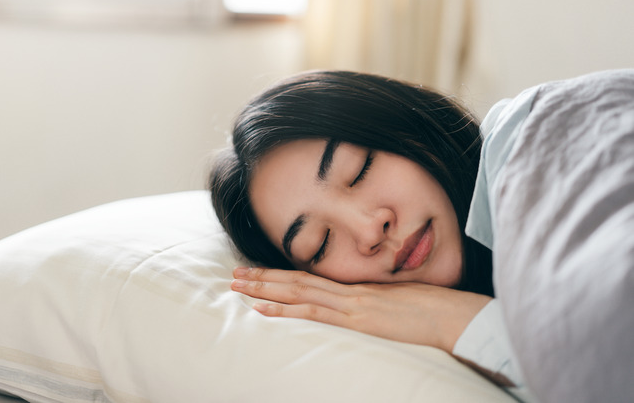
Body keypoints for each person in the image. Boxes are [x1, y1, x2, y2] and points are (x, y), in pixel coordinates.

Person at [208, 69, 634, 403]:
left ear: (407, 126)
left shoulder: (531, 135)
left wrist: (453, 320)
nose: (370, 228)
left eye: (359, 170)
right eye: (318, 244)